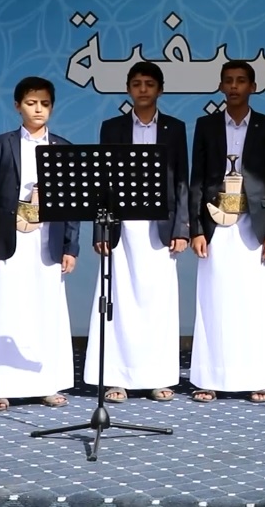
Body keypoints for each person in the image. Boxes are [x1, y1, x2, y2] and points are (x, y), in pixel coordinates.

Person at [0, 77, 80, 412]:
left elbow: (71, 203)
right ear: (18, 106)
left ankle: (45, 383)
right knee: (5, 308)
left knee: (46, 311)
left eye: (45, 104)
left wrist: (70, 247)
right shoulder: (1, 145)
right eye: (31, 103)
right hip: (9, 239)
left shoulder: (63, 147)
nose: (38, 110)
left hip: (48, 240)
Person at [86, 61, 190, 403]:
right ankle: (117, 378)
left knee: (158, 303)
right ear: (128, 89)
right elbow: (101, 182)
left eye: (149, 84)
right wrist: (100, 230)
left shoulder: (175, 128)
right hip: (121, 227)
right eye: (136, 84)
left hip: (160, 227)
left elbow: (182, 180)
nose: (143, 89)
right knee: (119, 302)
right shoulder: (112, 127)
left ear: (160, 89)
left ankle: (158, 377)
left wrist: (182, 228)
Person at [188, 61, 265, 403]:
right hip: (215, 224)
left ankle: (258, 377)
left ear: (252, 87)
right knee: (214, 301)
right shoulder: (206, 126)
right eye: (228, 81)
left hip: (254, 228)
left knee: (254, 303)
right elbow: (197, 180)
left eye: (241, 81)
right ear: (220, 86)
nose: (234, 86)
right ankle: (209, 378)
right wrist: (196, 229)